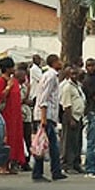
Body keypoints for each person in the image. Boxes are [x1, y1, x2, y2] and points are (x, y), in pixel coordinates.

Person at [31, 54, 66, 182]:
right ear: (54, 62)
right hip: (45, 115)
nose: (61, 63)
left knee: (51, 145)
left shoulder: (51, 76)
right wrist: (44, 118)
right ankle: (39, 172)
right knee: (43, 144)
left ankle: (55, 171)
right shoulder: (51, 76)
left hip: (49, 115)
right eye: (59, 61)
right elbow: (44, 98)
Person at [0, 57, 25, 174]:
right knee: (7, 139)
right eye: (12, 67)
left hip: (15, 116)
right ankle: (3, 166)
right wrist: (8, 88)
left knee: (15, 139)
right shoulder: (1, 81)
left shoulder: (14, 81)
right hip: (6, 115)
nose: (14, 69)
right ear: (7, 68)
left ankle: (12, 163)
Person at [59, 68, 86, 174]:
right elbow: (67, 105)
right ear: (68, 75)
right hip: (71, 117)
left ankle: (76, 163)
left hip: (79, 116)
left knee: (77, 142)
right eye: (72, 74)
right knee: (69, 142)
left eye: (76, 73)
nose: (75, 76)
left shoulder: (78, 86)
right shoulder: (67, 87)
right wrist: (71, 119)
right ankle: (67, 165)